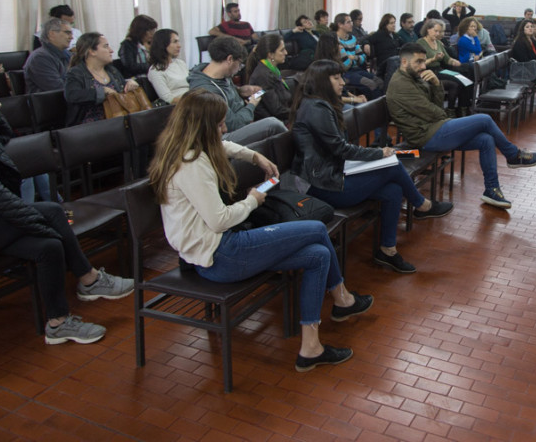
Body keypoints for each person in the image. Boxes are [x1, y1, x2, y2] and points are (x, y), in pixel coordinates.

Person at [148, 89, 372, 371]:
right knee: (316, 229)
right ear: (203, 127)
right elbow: (219, 220)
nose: (225, 129)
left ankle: (311, 347)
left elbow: (226, 145)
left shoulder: (187, 147)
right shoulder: (191, 165)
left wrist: (256, 157)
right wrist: (252, 201)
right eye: (219, 124)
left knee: (317, 255)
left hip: (220, 249)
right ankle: (342, 299)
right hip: (221, 255)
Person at [0, 76, 134, 344]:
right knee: (56, 213)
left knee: (49, 247)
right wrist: (35, 222)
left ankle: (58, 324)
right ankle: (89, 279)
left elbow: (5, 136)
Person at [291, 60, 453, 274]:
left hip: (335, 173)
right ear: (322, 81)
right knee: (391, 166)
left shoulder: (322, 103)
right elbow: (341, 149)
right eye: (336, 78)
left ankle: (387, 250)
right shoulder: (316, 108)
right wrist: (379, 153)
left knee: (394, 190)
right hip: (321, 185)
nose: (343, 82)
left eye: (342, 77)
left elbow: (338, 150)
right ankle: (421, 205)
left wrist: (374, 156)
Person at [387, 43, 536, 210]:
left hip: (434, 128)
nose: (423, 66)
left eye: (424, 62)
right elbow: (434, 111)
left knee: (486, 139)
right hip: (425, 137)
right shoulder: (401, 85)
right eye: (418, 62)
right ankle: (513, 155)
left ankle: (491, 189)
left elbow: (436, 104)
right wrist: (445, 116)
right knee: (484, 119)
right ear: (404, 62)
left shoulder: (414, 77)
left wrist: (435, 83)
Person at [187, 35, 287, 145]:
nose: (239, 68)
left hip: (242, 120)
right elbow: (233, 124)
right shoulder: (208, 91)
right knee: (272, 124)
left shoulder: (219, 74)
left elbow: (228, 91)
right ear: (230, 59)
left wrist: (240, 90)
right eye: (239, 63)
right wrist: (252, 104)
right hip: (222, 138)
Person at [64, 32, 139, 126]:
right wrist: (101, 92)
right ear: (92, 51)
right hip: (91, 127)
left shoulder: (112, 70)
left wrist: (130, 83)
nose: (111, 50)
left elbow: (121, 93)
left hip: (117, 121)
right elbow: (72, 95)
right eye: (106, 46)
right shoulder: (76, 73)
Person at [418, 18, 472, 115]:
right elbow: (419, 64)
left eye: (440, 31)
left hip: (440, 70)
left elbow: (447, 59)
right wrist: (433, 59)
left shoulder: (438, 42)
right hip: (429, 72)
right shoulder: (420, 43)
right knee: (457, 83)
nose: (438, 34)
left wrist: (454, 61)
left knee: (466, 81)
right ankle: (451, 111)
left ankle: (462, 109)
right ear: (428, 30)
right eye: (436, 31)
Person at [330, 13, 383, 100]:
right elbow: (345, 65)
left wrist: (353, 58)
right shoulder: (334, 40)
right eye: (348, 22)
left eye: (351, 21)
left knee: (380, 82)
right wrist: (354, 58)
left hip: (357, 69)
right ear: (340, 25)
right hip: (345, 73)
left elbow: (363, 58)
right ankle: (375, 110)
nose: (352, 24)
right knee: (371, 84)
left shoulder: (352, 38)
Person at [246, 33, 292, 123]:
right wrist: (299, 113)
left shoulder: (272, 70)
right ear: (270, 55)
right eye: (282, 50)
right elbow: (277, 110)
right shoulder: (263, 75)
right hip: (274, 122)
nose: (286, 53)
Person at [23, 18, 73, 93]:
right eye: (67, 33)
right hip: (51, 102)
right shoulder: (40, 58)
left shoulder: (67, 54)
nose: (71, 37)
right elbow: (58, 88)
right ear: (51, 34)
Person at [147, 28, 189, 105]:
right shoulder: (155, 70)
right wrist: (195, 100)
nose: (179, 46)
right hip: (180, 106)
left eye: (178, 41)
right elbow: (168, 99)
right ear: (163, 44)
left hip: (194, 99)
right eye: (175, 42)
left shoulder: (180, 63)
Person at [368, 13, 403, 79]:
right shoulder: (379, 35)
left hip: (395, 60)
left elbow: (404, 44)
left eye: (394, 23)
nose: (394, 25)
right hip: (384, 63)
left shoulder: (395, 36)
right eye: (391, 23)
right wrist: (366, 44)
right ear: (385, 25)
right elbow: (367, 39)